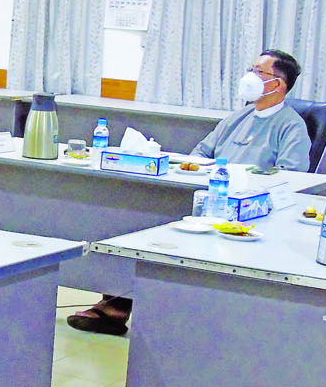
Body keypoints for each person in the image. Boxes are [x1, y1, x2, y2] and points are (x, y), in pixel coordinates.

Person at [66, 49, 313, 336]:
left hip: (245, 210)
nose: (250, 76)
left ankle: (123, 306)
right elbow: (202, 152)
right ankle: (116, 300)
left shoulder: (291, 126)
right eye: (252, 69)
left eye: (259, 72)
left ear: (278, 84)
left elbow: (289, 176)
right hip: (207, 194)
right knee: (139, 218)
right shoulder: (239, 116)